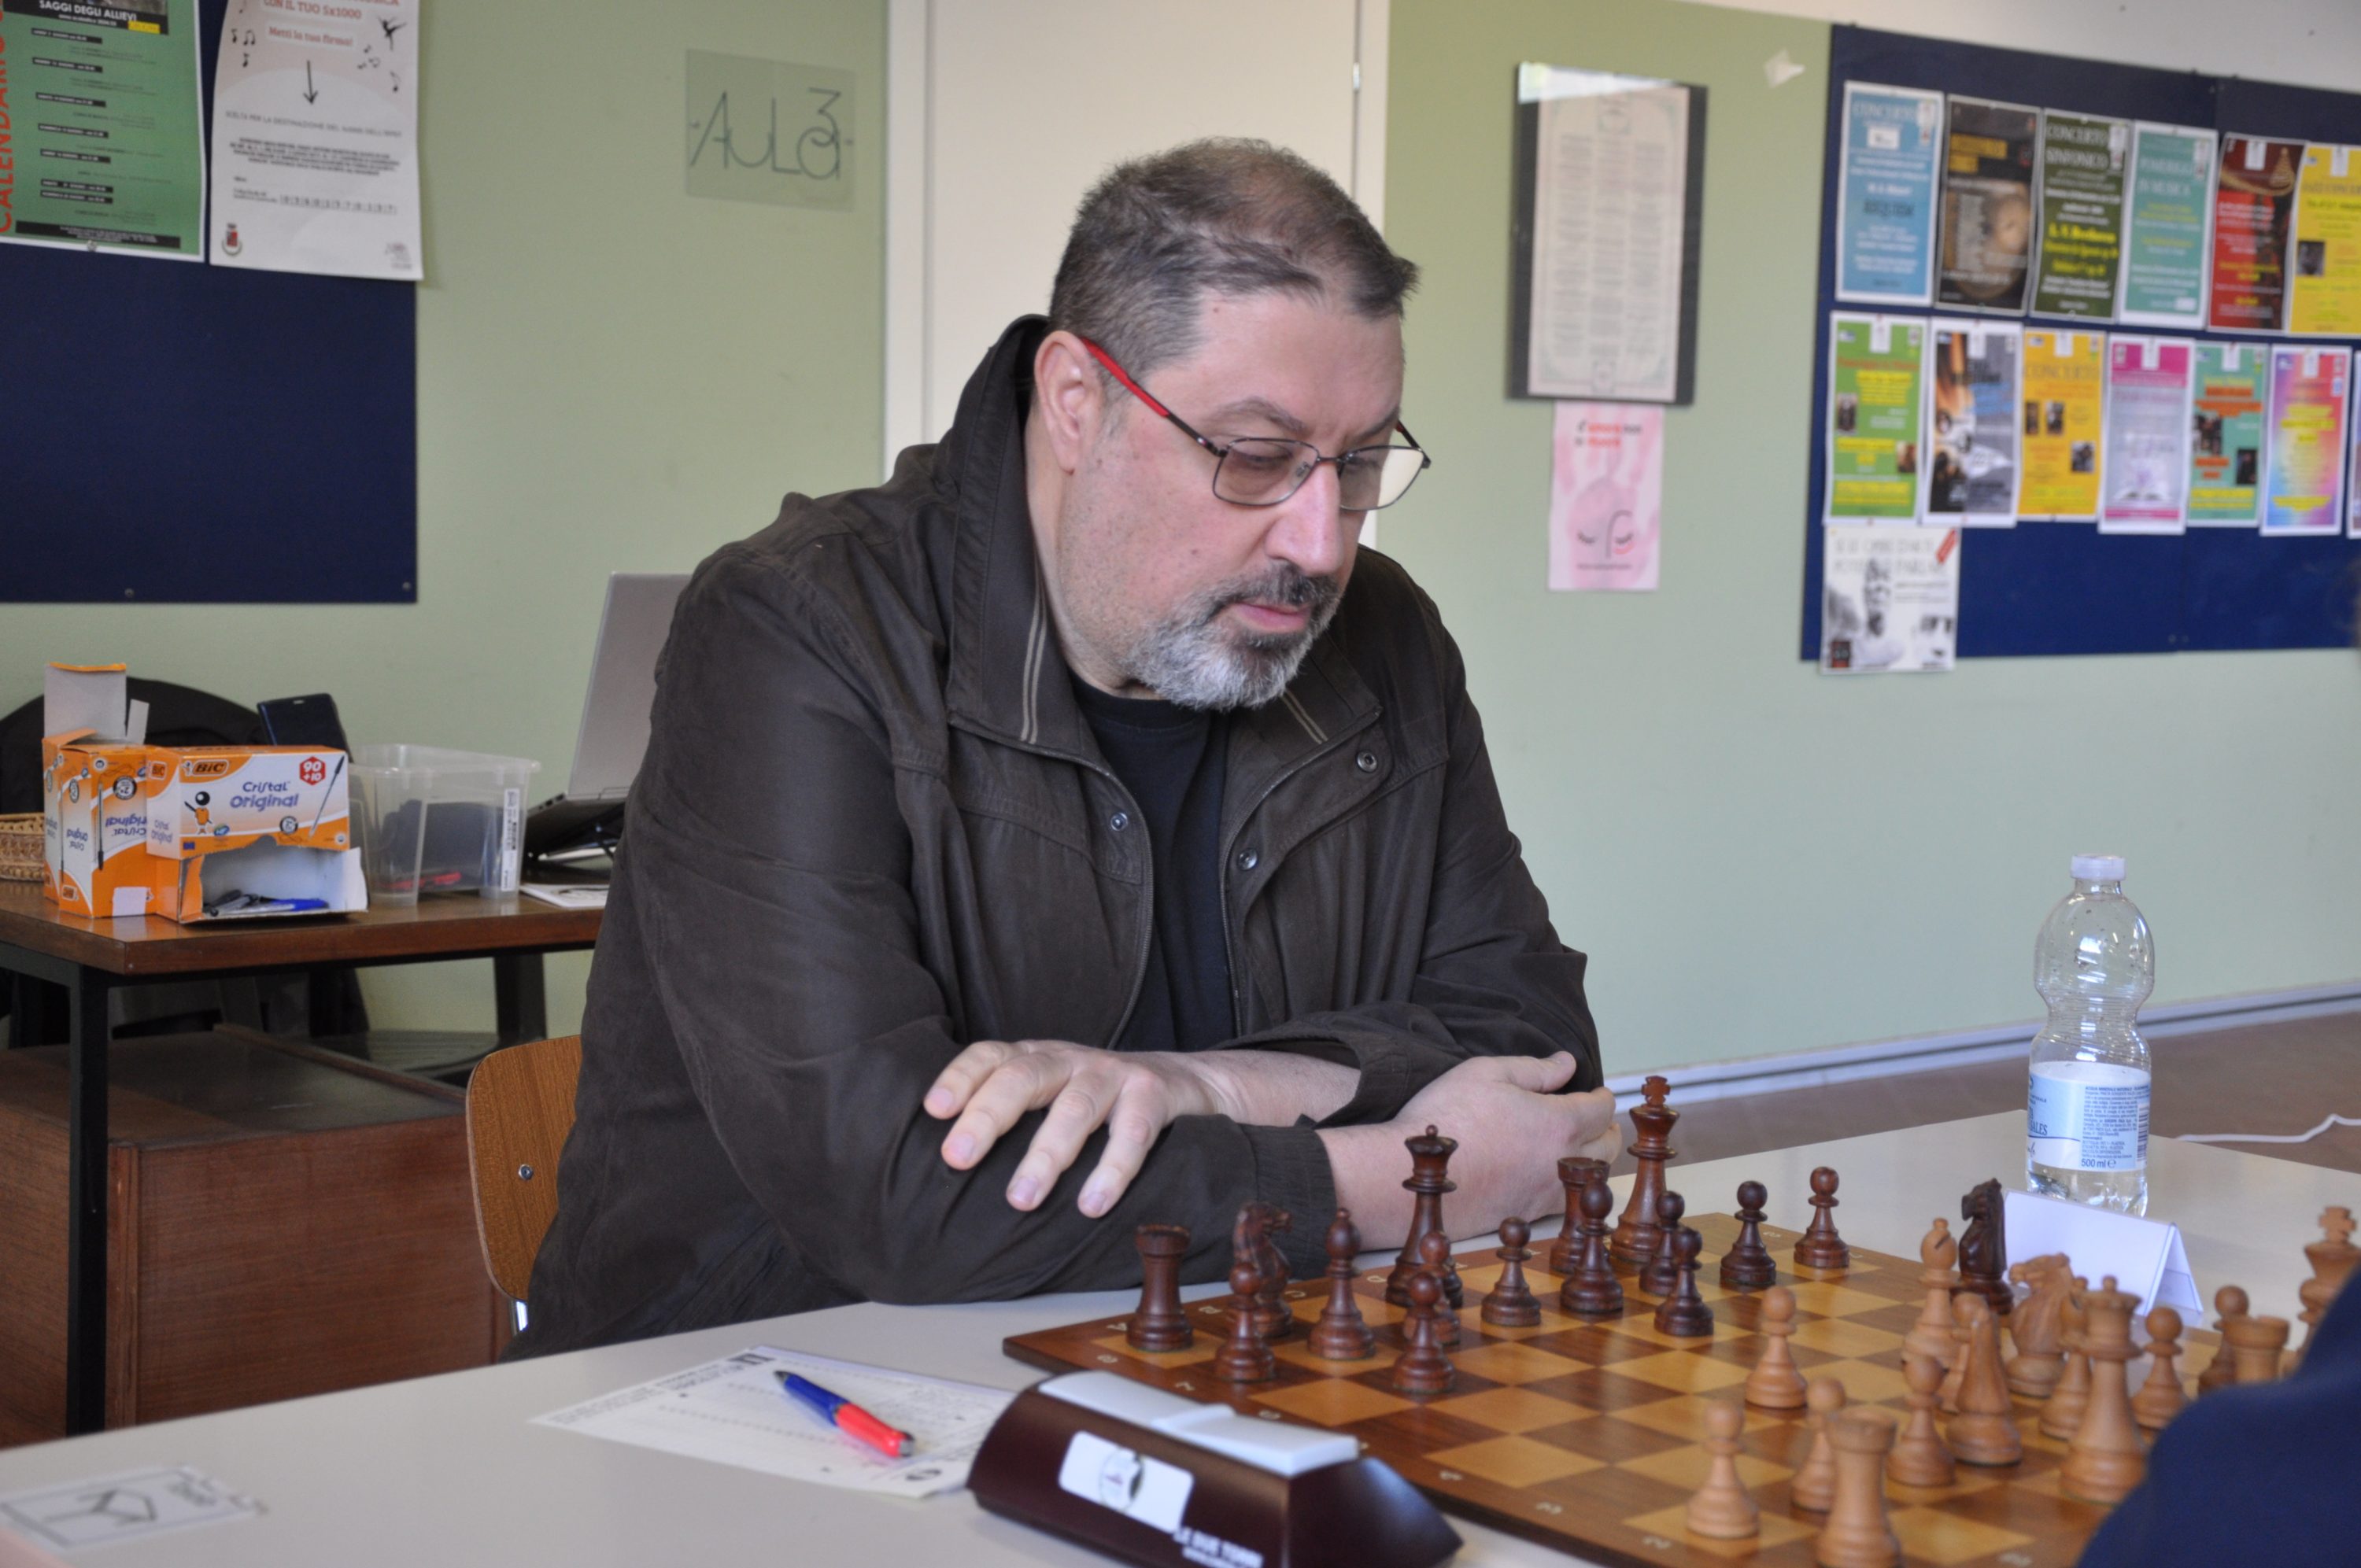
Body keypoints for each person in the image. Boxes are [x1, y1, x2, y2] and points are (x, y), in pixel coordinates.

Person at [512, 139, 1617, 1356]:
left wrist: (1208, 1085)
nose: (1321, 541)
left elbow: (1536, 1051)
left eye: (1357, 465)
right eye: (1256, 456)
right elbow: (898, 1193)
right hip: (759, 1390)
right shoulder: (794, 629)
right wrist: (1404, 1180)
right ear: (1078, 403)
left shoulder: (1386, 635)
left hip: (1218, 1358)